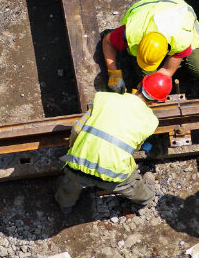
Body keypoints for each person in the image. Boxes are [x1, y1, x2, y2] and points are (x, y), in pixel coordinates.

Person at [54, 72, 172, 214]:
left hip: (78, 165)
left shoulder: (104, 98)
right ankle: (146, 199)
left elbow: (76, 128)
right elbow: (136, 146)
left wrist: (73, 147)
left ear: (139, 84)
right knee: (132, 186)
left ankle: (65, 206)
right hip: (113, 175)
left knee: (70, 185)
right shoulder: (151, 122)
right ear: (156, 102)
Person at [102, 0, 199, 93]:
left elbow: (167, 70)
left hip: (176, 6)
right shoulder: (132, 33)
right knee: (150, 82)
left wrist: (158, 82)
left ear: (167, 51)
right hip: (143, 10)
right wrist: (113, 74)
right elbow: (107, 41)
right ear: (141, 43)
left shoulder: (181, 38)